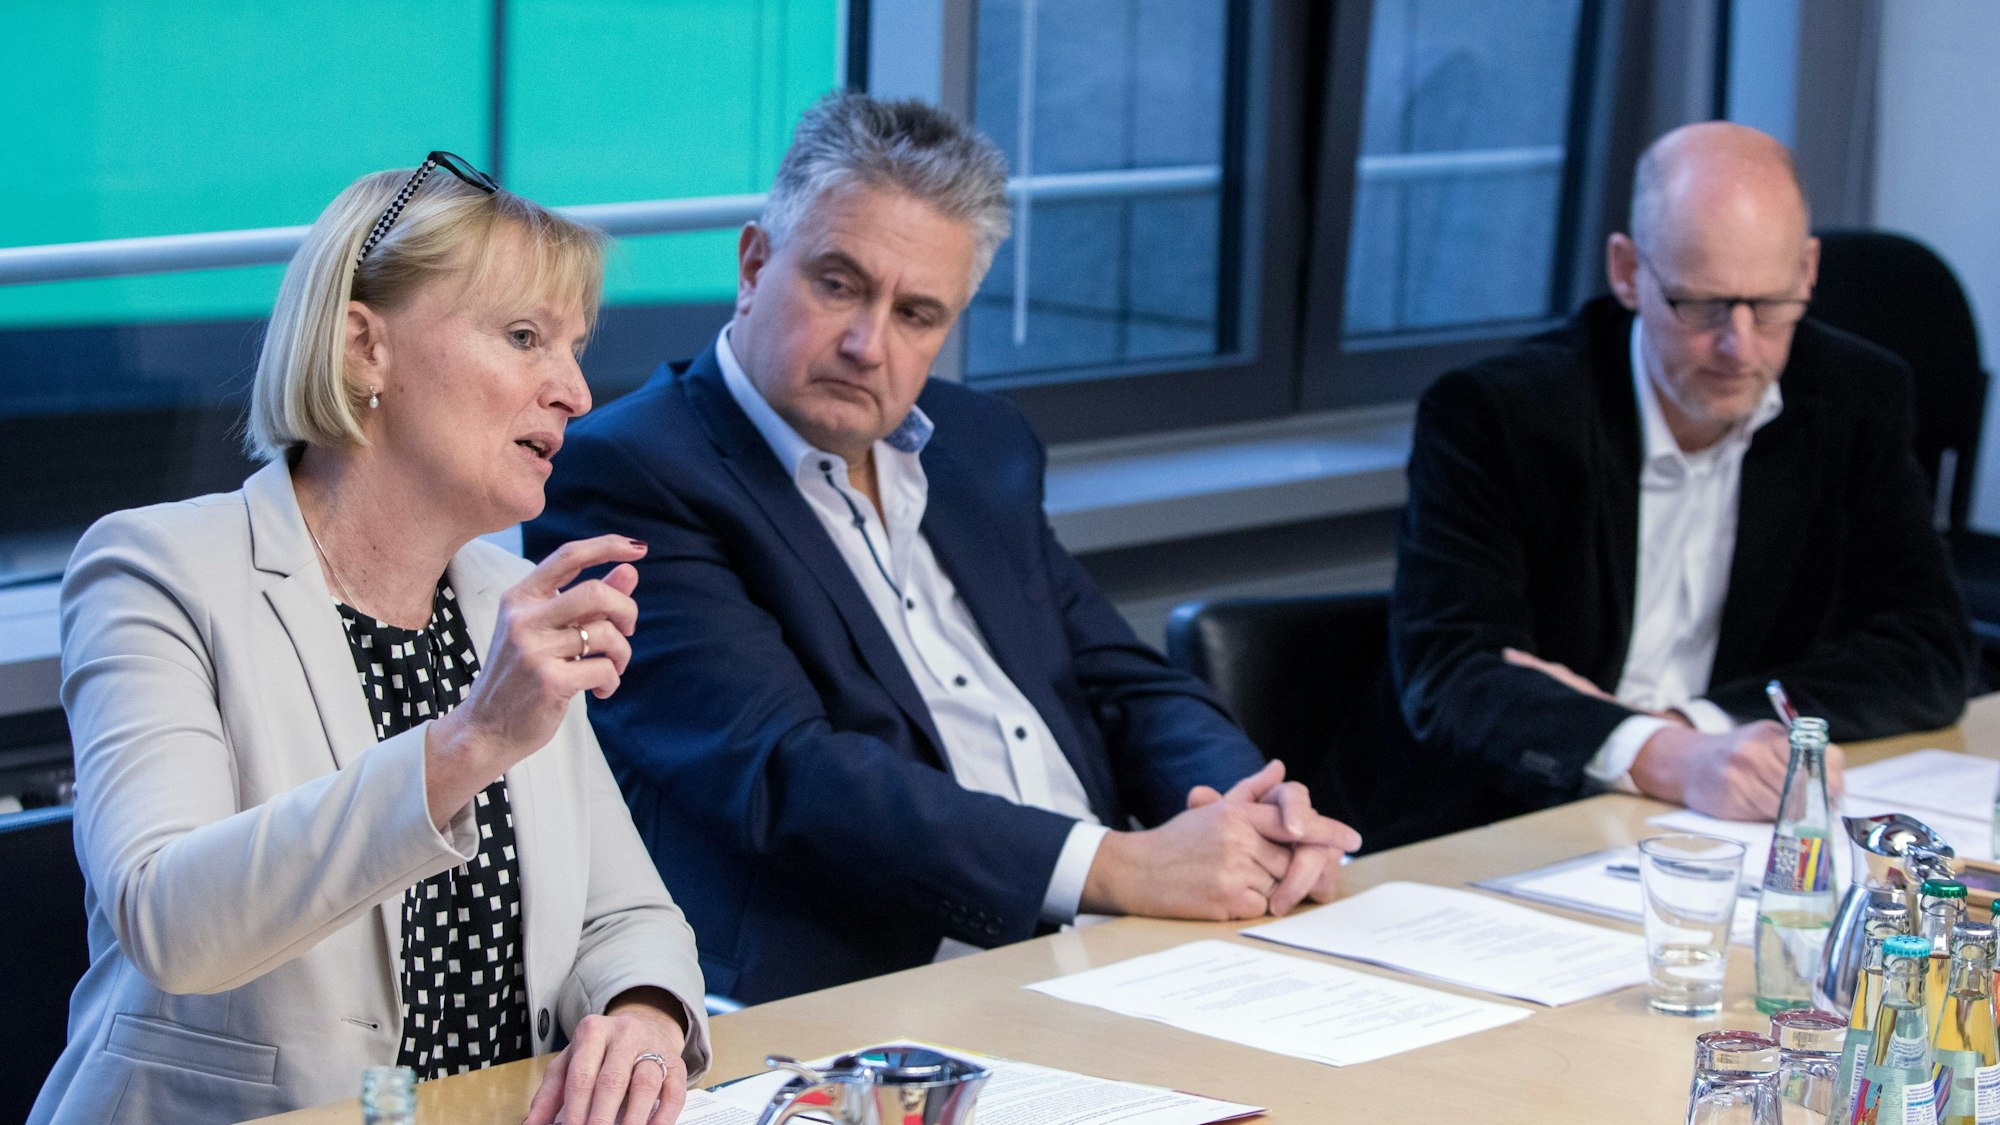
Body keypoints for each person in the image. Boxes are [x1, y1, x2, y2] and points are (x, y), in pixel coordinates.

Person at [526, 92, 1361, 1004]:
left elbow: (1122, 681)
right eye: (837, 283)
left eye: (916, 314)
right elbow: (785, 775)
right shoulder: (628, 470)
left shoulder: (980, 442)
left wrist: (1247, 810)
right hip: (870, 988)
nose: (864, 343)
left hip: (1107, 948)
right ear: (756, 264)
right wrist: (1114, 866)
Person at [33, 154, 708, 1125]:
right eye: (524, 337)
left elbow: (627, 917)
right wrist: (470, 741)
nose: (574, 391)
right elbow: (169, 920)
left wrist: (642, 1018)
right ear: (362, 347)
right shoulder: (156, 571)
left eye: (573, 346)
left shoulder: (506, 599)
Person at [1378, 121, 1973, 849]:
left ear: (1809, 270)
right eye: (1702, 305)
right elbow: (1451, 673)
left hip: (1712, 831)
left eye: (1772, 303)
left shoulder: (1855, 395)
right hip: (1503, 821)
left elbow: (1933, 651)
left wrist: (1698, 727)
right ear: (1628, 272)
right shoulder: (1498, 415)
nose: (1741, 347)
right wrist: (1666, 756)